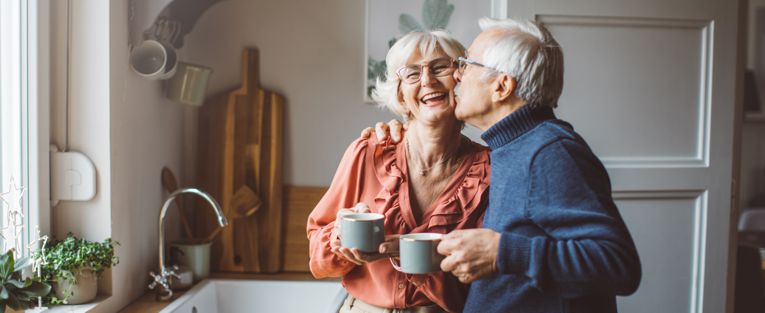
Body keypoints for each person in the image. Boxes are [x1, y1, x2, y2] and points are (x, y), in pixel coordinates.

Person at [369, 18, 642, 313]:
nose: (457, 76)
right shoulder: (511, 147)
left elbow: (618, 265)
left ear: (501, 86)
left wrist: (502, 252)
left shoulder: (550, 152)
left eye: (466, 65)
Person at [306, 30, 491, 313]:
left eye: (440, 67)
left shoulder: (489, 169)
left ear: (461, 79)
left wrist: (415, 253)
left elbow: (488, 276)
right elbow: (317, 255)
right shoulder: (368, 151)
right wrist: (339, 238)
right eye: (412, 74)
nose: (428, 80)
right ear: (401, 95)